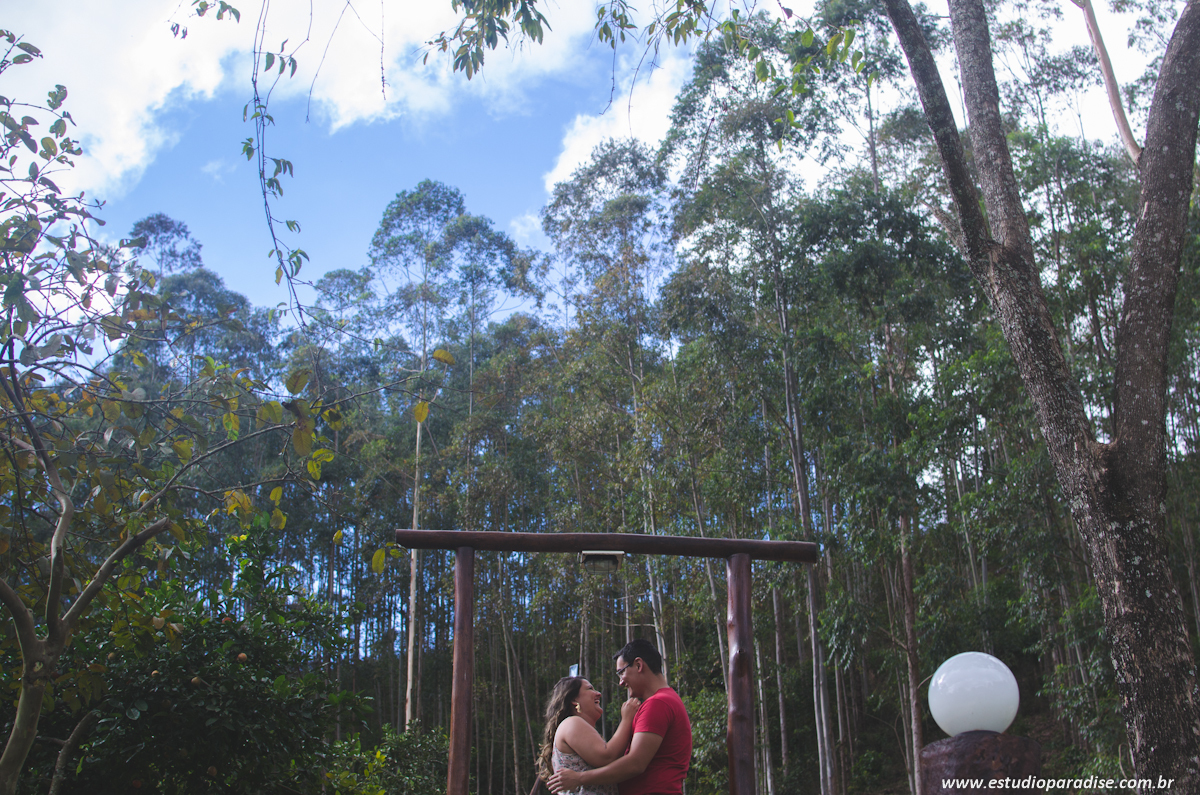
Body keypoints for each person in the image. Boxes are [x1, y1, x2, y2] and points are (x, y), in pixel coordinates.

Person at [547, 639, 692, 795]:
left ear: (638, 665)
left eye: (621, 672)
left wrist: (580, 778)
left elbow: (635, 763)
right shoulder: (660, 702)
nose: (621, 682)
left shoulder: (659, 703)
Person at [536, 675, 642, 795]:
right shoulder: (572, 723)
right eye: (590, 689)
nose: (598, 693)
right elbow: (607, 757)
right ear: (574, 700)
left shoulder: (573, 726)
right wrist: (627, 719)